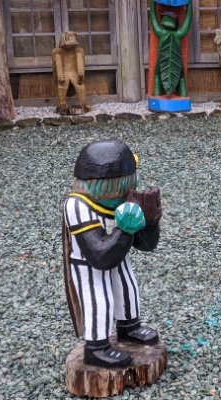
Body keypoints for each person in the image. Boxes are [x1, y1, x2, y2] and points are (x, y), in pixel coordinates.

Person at [63, 140, 162, 368]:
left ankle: (129, 327)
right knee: (98, 298)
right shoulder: (77, 205)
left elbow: (146, 245)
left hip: (119, 254)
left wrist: (151, 221)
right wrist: (125, 229)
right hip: (87, 265)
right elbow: (99, 256)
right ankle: (96, 346)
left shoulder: (122, 199)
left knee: (127, 287)